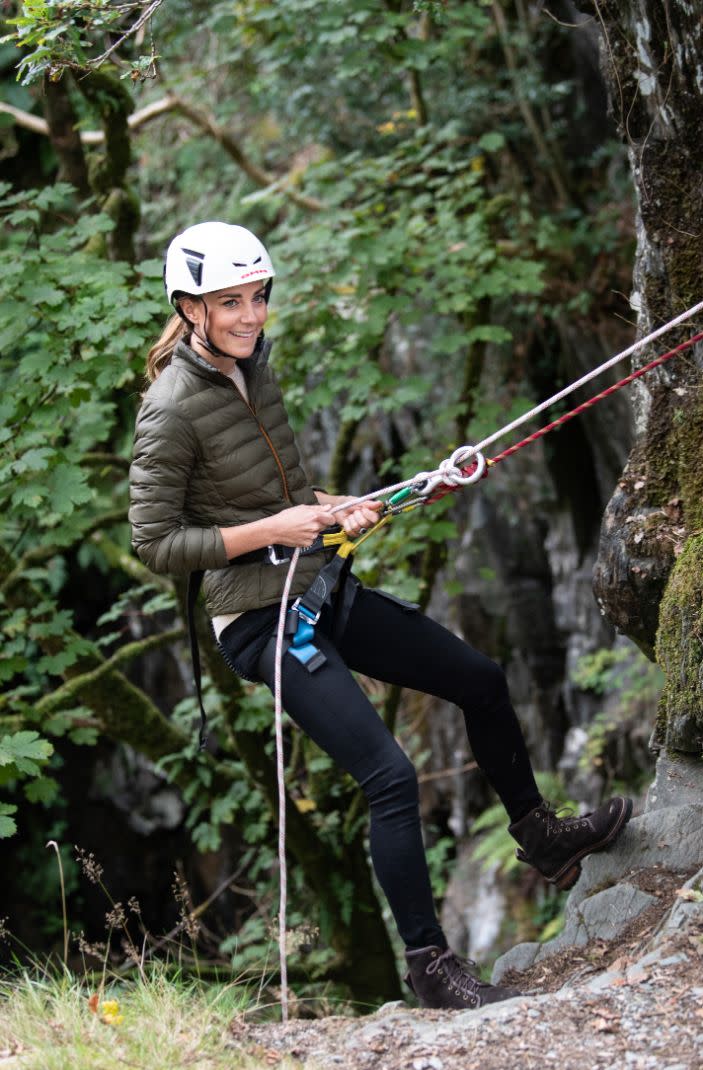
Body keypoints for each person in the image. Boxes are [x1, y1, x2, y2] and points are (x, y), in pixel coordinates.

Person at [129, 221, 633, 1010]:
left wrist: (343, 507)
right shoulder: (169, 407)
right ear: (188, 308)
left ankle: (538, 835)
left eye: (257, 297)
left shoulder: (253, 371)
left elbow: (285, 494)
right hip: (259, 624)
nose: (250, 315)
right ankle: (429, 966)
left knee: (479, 677)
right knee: (391, 777)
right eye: (229, 302)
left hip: (320, 590)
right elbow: (155, 543)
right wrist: (279, 530)